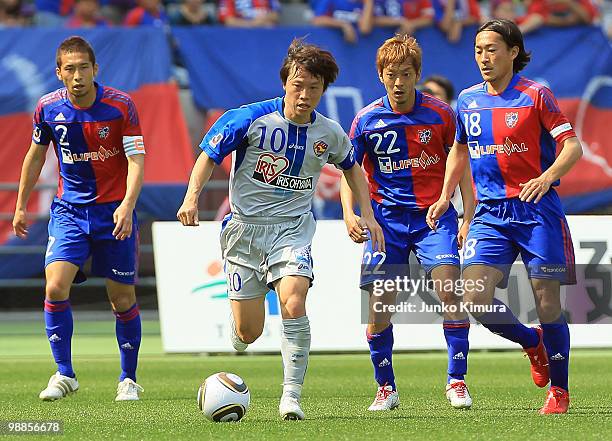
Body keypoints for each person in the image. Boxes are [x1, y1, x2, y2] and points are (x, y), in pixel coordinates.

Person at [177, 38, 384, 421]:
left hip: (292, 230)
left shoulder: (329, 133)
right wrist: (191, 198)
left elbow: (352, 167)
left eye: (314, 88)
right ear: (285, 82)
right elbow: (209, 154)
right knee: (249, 333)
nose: (304, 95)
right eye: (298, 85)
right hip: (244, 232)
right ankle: (241, 331)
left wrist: (366, 213)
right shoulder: (250, 118)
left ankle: (291, 397)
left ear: (324, 89)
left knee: (293, 300)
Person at [427, 19, 583, 414]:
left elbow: (572, 147)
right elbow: (459, 151)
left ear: (514, 52)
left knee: (547, 300)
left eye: (492, 49)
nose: (484, 57)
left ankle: (559, 391)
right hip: (491, 214)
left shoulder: (536, 95)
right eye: (479, 49)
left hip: (536, 212)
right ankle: (533, 344)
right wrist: (446, 196)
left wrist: (547, 178)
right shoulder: (467, 100)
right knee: (475, 297)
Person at [340, 34, 475, 411]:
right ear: (380, 76)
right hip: (385, 219)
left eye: (405, 74)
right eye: (390, 74)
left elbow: (458, 159)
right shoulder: (366, 120)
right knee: (381, 302)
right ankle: (386, 387)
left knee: (450, 290)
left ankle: (457, 380)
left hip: (433, 217)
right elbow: (350, 171)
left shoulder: (442, 114)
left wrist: (464, 211)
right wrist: (350, 213)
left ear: (417, 74)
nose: (398, 83)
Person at [13, 36, 146, 402]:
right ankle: (65, 373)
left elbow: (137, 160)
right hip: (69, 211)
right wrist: (21, 204)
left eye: (83, 67)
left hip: (114, 211)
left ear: (95, 70)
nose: (77, 75)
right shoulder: (47, 108)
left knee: (121, 298)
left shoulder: (121, 106)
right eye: (69, 69)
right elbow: (35, 156)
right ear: (59, 73)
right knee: (55, 287)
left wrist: (127, 204)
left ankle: (128, 379)